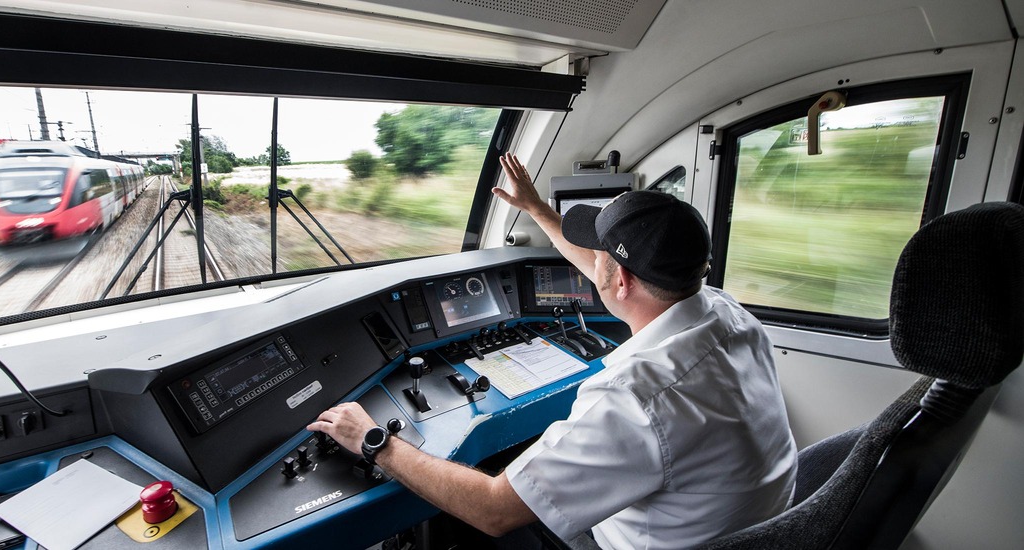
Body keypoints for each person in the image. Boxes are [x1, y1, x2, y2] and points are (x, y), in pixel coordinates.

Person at [308, 153, 797, 549]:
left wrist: (376, 441)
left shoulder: (635, 398)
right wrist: (538, 209)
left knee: (468, 517)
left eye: (600, 255)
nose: (593, 262)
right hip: (751, 529)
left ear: (621, 280)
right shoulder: (730, 316)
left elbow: (496, 510)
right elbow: (611, 273)